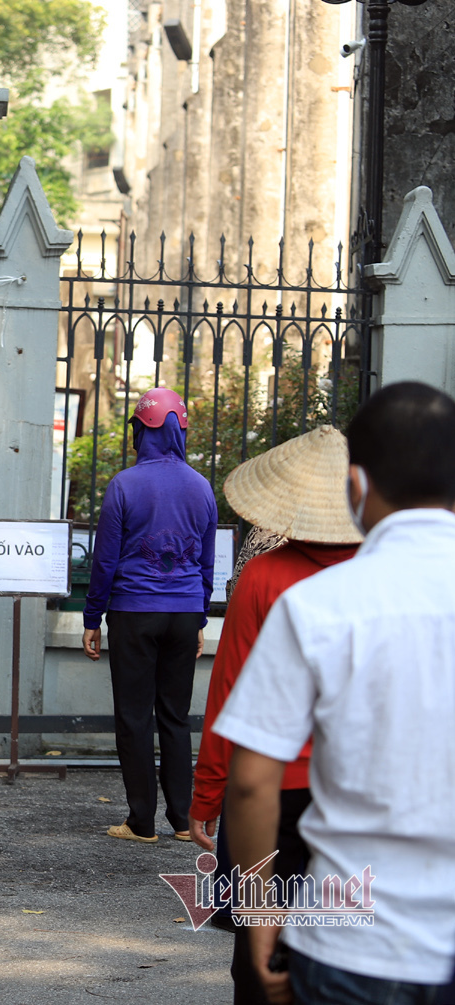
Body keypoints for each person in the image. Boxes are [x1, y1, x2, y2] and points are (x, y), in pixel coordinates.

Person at [219, 382, 455, 1005]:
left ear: (355, 485)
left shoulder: (315, 606)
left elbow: (250, 781)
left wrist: (260, 913)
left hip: (351, 943)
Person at [185, 427, 361, 1005]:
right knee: (348, 938)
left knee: (258, 954)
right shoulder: (381, 577)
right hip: (354, 794)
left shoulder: (262, 576)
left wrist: (207, 794)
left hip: (268, 793)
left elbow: (229, 694)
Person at [81, 387, 217, 844]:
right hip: (183, 615)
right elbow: (207, 563)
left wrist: (92, 617)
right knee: (175, 717)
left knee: (135, 717)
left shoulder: (124, 485)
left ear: (142, 431)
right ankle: (182, 821)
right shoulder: (201, 488)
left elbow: (104, 560)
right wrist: (198, 619)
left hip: (134, 613)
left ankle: (141, 822)